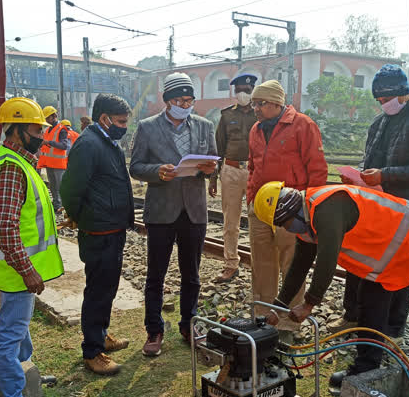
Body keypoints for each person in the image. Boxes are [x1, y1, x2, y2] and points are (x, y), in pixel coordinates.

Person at [254, 181, 409, 397]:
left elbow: (326, 261)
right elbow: (300, 265)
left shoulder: (326, 208)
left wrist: (309, 304)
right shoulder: (306, 219)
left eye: (284, 224)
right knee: (371, 309)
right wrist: (278, 307)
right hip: (385, 261)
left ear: (290, 211)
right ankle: (366, 370)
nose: (286, 229)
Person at [338, 64, 409, 343]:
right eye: (380, 101)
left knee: (399, 269)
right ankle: (353, 317)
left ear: (401, 93)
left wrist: (385, 176)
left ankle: (393, 329)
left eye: (386, 99)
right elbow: (370, 158)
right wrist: (360, 177)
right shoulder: (380, 122)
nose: (383, 105)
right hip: (376, 205)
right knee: (360, 262)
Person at [0, 97, 64, 397]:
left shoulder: (18, 161)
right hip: (16, 270)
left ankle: (27, 375)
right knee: (11, 334)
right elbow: (6, 228)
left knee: (20, 330)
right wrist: (27, 271)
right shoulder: (13, 167)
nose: (41, 134)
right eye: (35, 128)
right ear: (14, 131)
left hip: (14, 268)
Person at [129, 72, 217, 357]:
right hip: (161, 211)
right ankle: (154, 330)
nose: (185, 104)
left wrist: (209, 169)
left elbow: (214, 161)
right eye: (180, 99)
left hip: (193, 210)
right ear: (167, 101)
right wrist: (158, 172)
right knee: (156, 274)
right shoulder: (147, 127)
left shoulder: (204, 126)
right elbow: (136, 166)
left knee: (192, 274)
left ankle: (188, 324)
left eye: (189, 99)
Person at [60, 94, 134, 375]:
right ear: (104, 119)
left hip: (111, 229)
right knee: (98, 292)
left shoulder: (106, 141)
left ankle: (101, 335)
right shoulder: (89, 144)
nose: (124, 127)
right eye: (121, 122)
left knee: (107, 288)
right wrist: (81, 218)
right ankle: (92, 351)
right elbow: (70, 189)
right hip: (98, 231)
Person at [246, 79, 328, 321]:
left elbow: (317, 170)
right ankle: (262, 316)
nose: (255, 109)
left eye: (259, 104)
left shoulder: (303, 125)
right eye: (253, 105)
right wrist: (251, 199)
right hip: (260, 209)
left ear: (275, 103)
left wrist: (311, 209)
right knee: (261, 264)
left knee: (292, 265)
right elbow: (253, 167)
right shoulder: (256, 130)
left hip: (293, 210)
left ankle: (288, 323)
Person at [208, 73, 258, 283]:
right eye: (239, 90)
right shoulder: (227, 115)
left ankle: (260, 267)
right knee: (230, 222)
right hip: (230, 170)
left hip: (257, 172)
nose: (243, 94)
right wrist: (212, 177)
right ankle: (230, 265)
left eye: (247, 90)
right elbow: (218, 146)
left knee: (259, 221)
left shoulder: (261, 114)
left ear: (253, 90)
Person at [37, 106, 72, 213]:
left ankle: (64, 206)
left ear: (54, 116)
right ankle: (57, 205)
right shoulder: (48, 130)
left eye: (48, 118)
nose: (46, 120)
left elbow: (64, 145)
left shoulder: (62, 129)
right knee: (53, 187)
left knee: (60, 187)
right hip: (49, 163)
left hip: (59, 164)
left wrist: (48, 143)